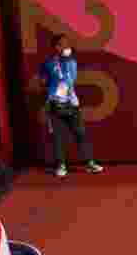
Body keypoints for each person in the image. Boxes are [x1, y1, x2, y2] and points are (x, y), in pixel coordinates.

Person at [39, 34, 103, 177]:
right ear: (56, 47)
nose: (67, 46)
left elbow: (71, 81)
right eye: (64, 44)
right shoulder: (47, 64)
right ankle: (61, 166)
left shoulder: (72, 62)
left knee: (80, 133)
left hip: (72, 104)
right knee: (57, 137)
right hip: (55, 105)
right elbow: (42, 82)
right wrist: (51, 93)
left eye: (68, 43)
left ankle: (90, 163)